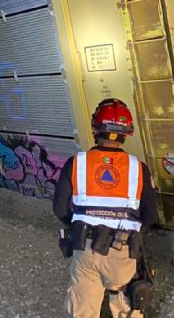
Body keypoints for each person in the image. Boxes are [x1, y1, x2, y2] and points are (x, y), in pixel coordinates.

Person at [54, 98, 158, 317]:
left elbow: (60, 209)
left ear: (95, 128)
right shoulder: (139, 169)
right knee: (126, 307)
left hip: (85, 247)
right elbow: (150, 216)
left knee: (82, 308)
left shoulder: (77, 163)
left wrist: (80, 224)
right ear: (125, 133)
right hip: (123, 250)